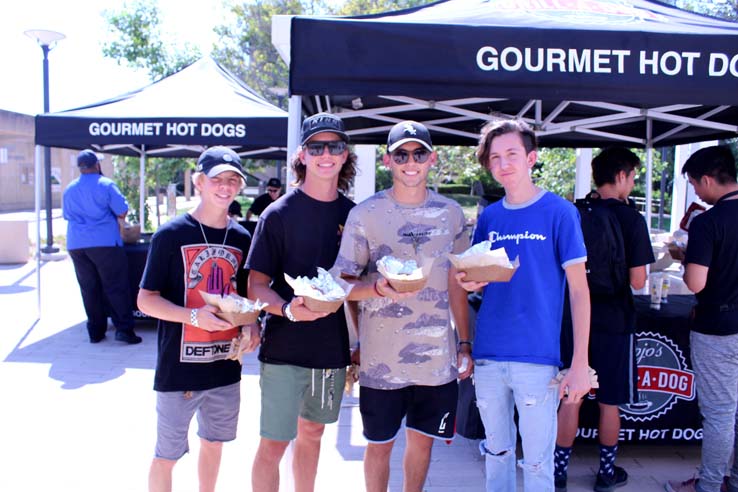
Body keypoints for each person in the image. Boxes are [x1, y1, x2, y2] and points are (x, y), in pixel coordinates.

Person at [334, 120, 474, 492]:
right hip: (381, 362)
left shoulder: (452, 215)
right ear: (387, 160)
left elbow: (459, 285)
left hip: (437, 362)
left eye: (419, 153)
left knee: (422, 444)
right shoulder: (365, 214)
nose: (410, 162)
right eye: (401, 154)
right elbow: (340, 285)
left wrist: (464, 344)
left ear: (433, 159)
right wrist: (377, 290)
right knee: (379, 446)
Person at [456, 118, 592, 492]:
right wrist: (468, 279)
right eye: (495, 157)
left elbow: (580, 292)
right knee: (496, 456)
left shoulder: (560, 212)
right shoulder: (490, 217)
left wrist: (579, 363)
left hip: (537, 358)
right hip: (489, 355)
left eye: (512, 154)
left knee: (536, 464)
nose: (503, 164)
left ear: (532, 157)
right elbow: (476, 280)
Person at [137, 146, 259, 492]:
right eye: (217, 179)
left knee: (214, 443)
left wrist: (251, 326)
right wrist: (193, 316)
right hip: (179, 373)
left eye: (233, 180)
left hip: (225, 367)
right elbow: (146, 300)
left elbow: (245, 298)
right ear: (199, 182)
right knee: (167, 455)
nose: (225, 187)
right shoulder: (170, 235)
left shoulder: (241, 237)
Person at [247, 112, 356, 492]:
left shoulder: (353, 215)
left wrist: (358, 345)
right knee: (274, 442)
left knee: (312, 435)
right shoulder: (277, 214)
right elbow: (256, 286)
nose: (326, 154)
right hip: (284, 348)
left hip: (331, 350)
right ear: (303, 155)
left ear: (345, 155)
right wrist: (288, 309)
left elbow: (355, 288)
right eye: (317, 147)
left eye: (335, 146)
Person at [554, 147, 654, 492]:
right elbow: (639, 281)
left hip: (573, 316)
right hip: (614, 317)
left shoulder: (574, 212)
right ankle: (606, 474)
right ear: (623, 175)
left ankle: (558, 473)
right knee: (610, 401)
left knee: (571, 395)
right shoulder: (632, 218)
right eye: (633, 176)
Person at [666, 145, 738, 492]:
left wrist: (685, 257)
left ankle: (708, 485)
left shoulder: (708, 222)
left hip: (718, 328)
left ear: (708, 179)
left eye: (695, 184)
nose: (696, 191)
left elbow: (696, 282)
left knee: (721, 414)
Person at [63, 149, 142, 344]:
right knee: (115, 286)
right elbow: (122, 210)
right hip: (104, 242)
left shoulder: (69, 188)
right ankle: (124, 330)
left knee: (88, 288)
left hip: (76, 244)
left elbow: (66, 215)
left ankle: (95, 332)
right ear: (97, 165)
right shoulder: (106, 184)